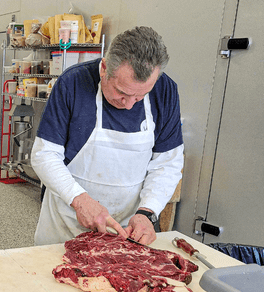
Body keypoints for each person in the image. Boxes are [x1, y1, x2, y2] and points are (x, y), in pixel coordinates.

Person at [31, 26, 184, 246]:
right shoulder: (73, 83)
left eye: (141, 96)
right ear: (104, 68)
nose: (130, 105)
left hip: (125, 229)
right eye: (122, 92)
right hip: (66, 221)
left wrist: (147, 212)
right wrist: (80, 200)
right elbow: (44, 154)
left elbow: (167, 164)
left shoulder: (165, 90)